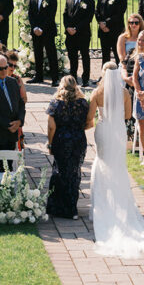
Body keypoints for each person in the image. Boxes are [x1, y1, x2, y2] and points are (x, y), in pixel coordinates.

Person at [87, 63, 144, 256]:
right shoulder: (125, 93)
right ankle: (121, 205)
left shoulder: (96, 93)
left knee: (102, 164)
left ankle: (100, 206)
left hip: (103, 130)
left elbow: (89, 117)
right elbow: (128, 116)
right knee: (118, 165)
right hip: (117, 131)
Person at [46, 75, 89, 219]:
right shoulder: (83, 103)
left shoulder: (55, 103)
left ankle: (57, 206)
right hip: (78, 140)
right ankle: (72, 207)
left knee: (60, 171)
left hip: (61, 140)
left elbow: (51, 127)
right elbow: (88, 123)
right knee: (74, 172)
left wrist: (50, 143)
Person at [27, 0, 59, 86]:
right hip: (36, 31)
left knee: (51, 54)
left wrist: (41, 28)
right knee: (37, 54)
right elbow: (30, 14)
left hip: (48, 31)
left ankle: (55, 78)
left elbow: (50, 16)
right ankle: (38, 76)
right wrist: (35, 28)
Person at [62, 0, 95, 87]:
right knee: (72, 57)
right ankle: (73, 79)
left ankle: (85, 79)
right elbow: (65, 15)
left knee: (85, 56)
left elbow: (88, 18)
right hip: (70, 34)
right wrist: (68, 28)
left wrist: (76, 28)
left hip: (82, 33)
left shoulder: (89, 1)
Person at [95, 0, 128, 66]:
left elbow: (119, 13)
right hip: (103, 30)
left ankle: (119, 76)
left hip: (115, 30)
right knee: (105, 55)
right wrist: (101, 23)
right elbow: (97, 11)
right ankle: (104, 76)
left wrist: (106, 23)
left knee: (118, 54)